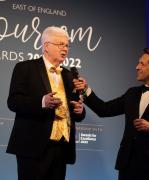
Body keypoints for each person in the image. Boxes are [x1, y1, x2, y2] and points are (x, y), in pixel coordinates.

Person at [74, 48, 149, 180]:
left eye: (142, 64)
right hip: (127, 167)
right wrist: (85, 90)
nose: (137, 67)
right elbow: (104, 109)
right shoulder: (132, 93)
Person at [6, 26, 85, 180]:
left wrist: (80, 110)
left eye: (67, 45)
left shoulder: (69, 75)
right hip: (32, 146)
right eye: (60, 44)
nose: (65, 48)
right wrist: (42, 102)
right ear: (46, 46)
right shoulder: (25, 68)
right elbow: (13, 102)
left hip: (61, 148)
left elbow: (76, 113)